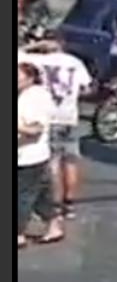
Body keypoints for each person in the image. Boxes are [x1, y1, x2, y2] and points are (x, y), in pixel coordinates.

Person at [19, 32, 93, 220]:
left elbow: (19, 54)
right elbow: (87, 87)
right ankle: (69, 204)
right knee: (70, 160)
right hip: (69, 116)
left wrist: (32, 47)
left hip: (47, 115)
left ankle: (53, 205)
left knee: (50, 163)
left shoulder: (34, 60)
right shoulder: (74, 62)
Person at [18, 61, 65, 248]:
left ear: (30, 78)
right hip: (28, 154)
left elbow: (35, 129)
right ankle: (54, 226)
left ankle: (18, 234)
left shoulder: (37, 97)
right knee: (40, 193)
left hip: (29, 155)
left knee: (22, 195)